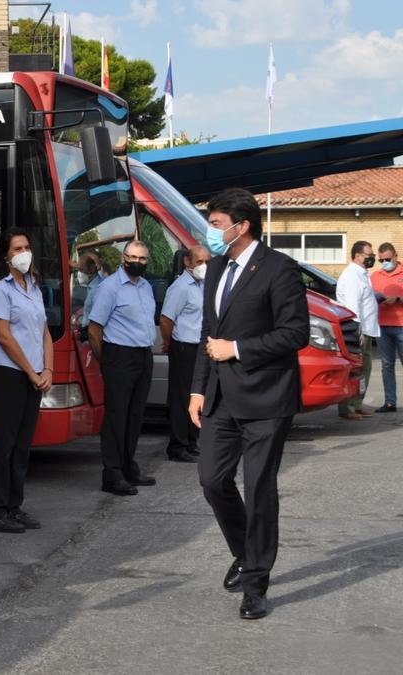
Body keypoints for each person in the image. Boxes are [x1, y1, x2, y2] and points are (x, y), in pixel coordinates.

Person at [189, 187, 309, 621]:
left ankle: (256, 583)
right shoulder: (216, 267)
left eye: (217, 224)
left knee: (259, 491)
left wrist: (237, 348)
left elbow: (294, 333)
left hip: (266, 399)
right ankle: (244, 551)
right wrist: (197, 389)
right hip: (220, 398)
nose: (211, 231)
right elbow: (209, 333)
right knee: (212, 480)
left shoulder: (280, 269)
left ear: (243, 226)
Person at [0, 229, 52, 533]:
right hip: (9, 373)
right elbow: (4, 336)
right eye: (17, 248)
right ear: (6, 256)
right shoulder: (0, 290)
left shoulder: (33, 287)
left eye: (26, 246)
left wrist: (48, 369)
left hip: (34, 373)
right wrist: (31, 372)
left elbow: (45, 332)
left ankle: (15, 505)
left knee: (23, 444)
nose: (24, 252)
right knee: (5, 443)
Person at [88, 240, 158, 496]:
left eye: (141, 258)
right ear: (122, 258)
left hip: (143, 354)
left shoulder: (147, 287)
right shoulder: (110, 287)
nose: (136, 262)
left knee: (135, 414)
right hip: (119, 355)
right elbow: (94, 328)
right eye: (132, 257)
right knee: (117, 416)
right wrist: (106, 361)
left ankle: (129, 466)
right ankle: (113, 474)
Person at [159, 244, 211, 463]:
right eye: (199, 262)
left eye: (207, 261)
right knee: (181, 398)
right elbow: (166, 319)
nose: (204, 266)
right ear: (188, 263)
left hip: (201, 348)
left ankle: (191, 442)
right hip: (184, 347)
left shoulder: (204, 285)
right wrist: (169, 342)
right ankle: (178, 446)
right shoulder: (180, 287)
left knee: (196, 396)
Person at [336, 240, 380, 420]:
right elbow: (353, 306)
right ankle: (348, 408)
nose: (373, 258)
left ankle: (357, 403)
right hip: (358, 330)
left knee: (365, 369)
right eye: (370, 255)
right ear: (358, 256)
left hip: (368, 329)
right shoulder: (352, 276)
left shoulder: (362, 274)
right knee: (355, 370)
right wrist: (358, 331)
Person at [371, 242, 403, 413]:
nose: (384, 263)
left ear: (396, 256)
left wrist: (397, 300)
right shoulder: (375, 276)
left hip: (401, 326)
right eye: (381, 260)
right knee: (386, 365)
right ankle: (390, 402)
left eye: (388, 259)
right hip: (381, 326)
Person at [77, 251, 107, 340]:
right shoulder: (91, 287)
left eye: (81, 270)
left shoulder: (97, 289)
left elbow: (97, 320)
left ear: (91, 270)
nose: (79, 273)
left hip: (93, 335)